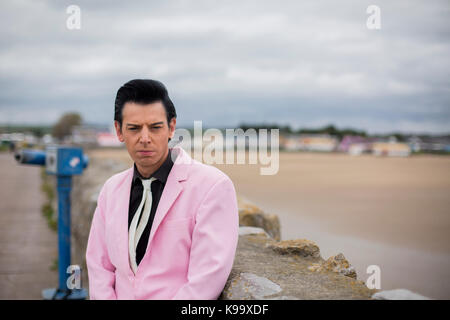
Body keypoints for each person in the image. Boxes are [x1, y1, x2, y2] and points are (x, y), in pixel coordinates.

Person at [86, 79, 239, 299]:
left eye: (155, 127)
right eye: (134, 128)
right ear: (119, 131)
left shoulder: (213, 186)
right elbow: (99, 265)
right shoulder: (111, 189)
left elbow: (206, 279)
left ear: (172, 127)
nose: (145, 138)